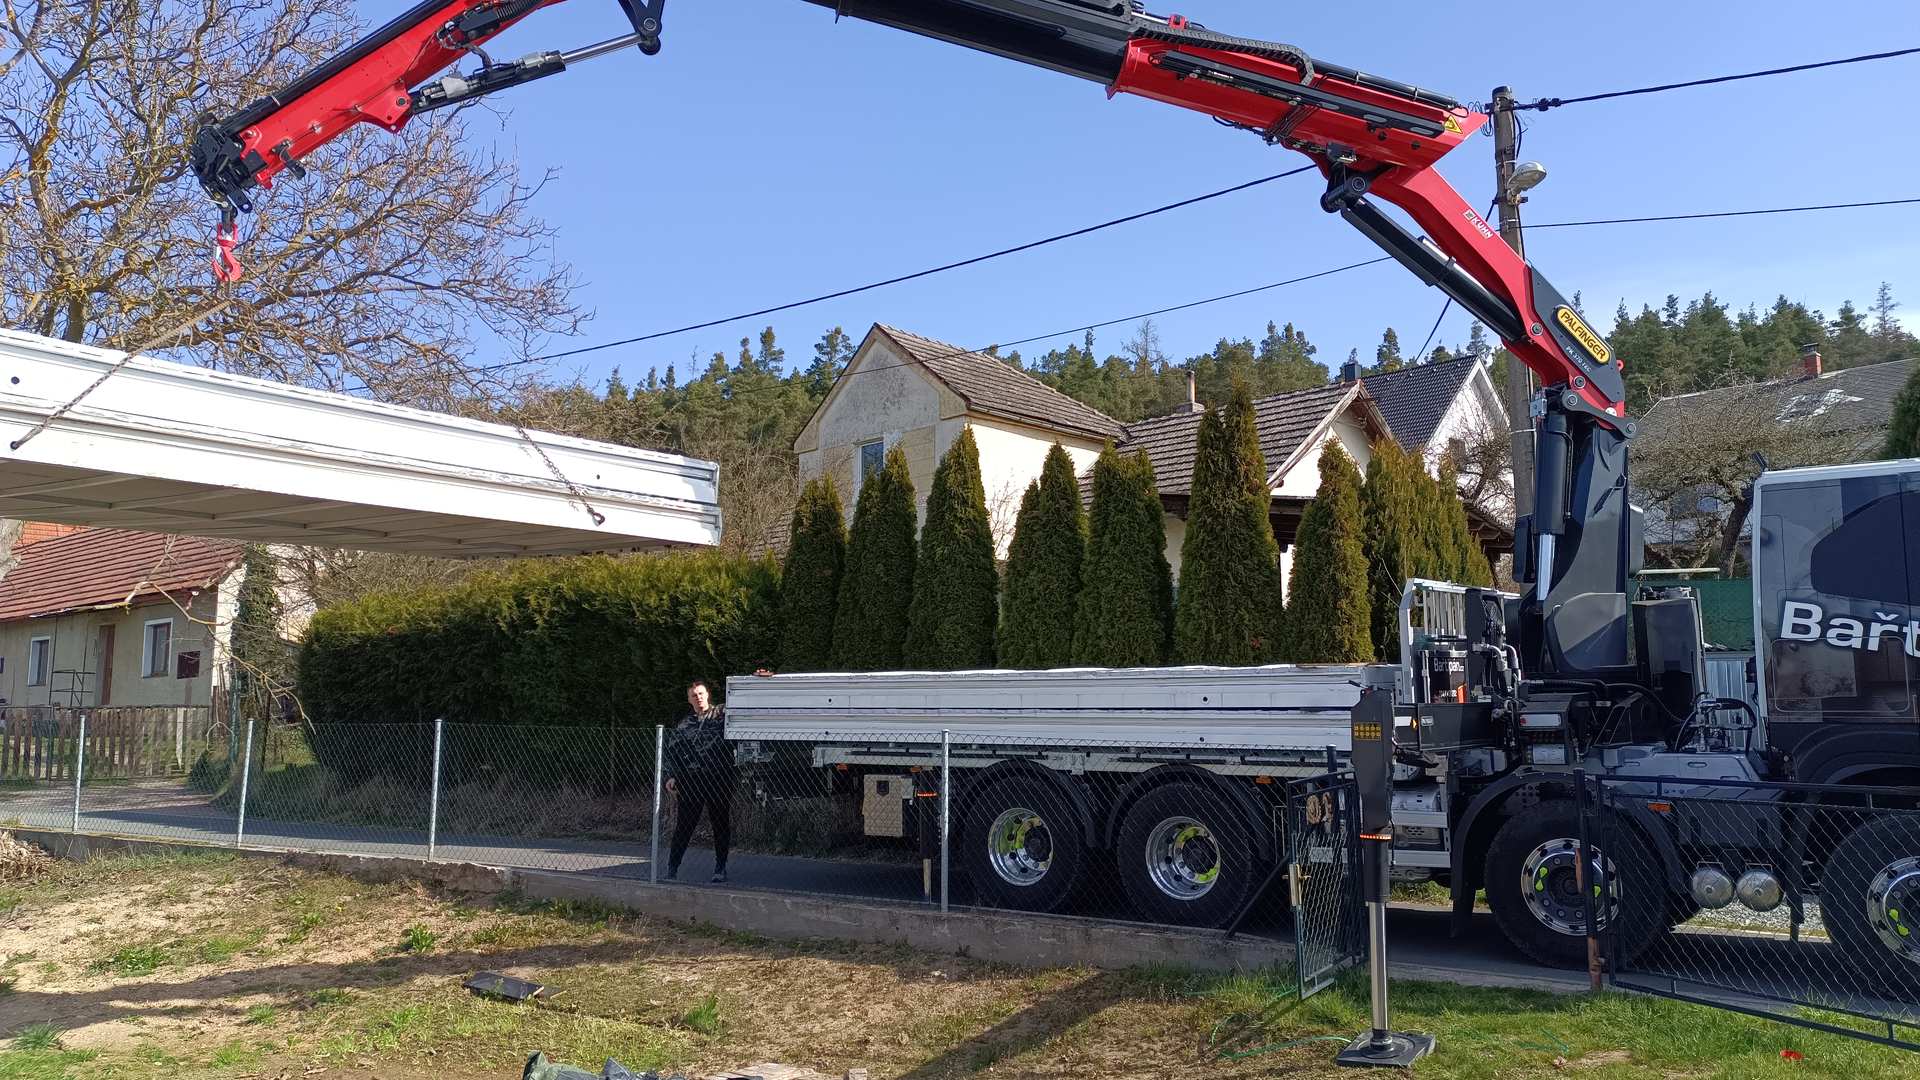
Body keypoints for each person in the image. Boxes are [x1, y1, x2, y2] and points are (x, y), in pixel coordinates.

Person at [665, 679, 735, 883]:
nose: (698, 697)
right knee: (684, 825)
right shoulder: (683, 725)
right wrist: (671, 775)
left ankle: (720, 866)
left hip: (719, 778)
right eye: (694, 695)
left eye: (701, 693)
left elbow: (743, 702)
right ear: (689, 699)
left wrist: (757, 678)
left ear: (708, 694)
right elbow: (672, 753)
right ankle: (672, 868)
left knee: (720, 823)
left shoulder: (722, 714)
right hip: (691, 781)